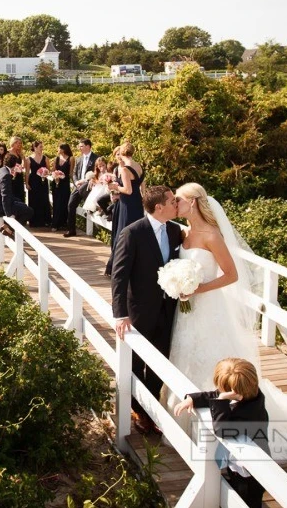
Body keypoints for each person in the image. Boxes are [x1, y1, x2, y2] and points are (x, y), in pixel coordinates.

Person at [169, 182, 287, 461]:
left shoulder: (212, 235)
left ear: (192, 202)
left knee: (212, 356)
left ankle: (221, 418)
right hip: (186, 309)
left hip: (208, 307)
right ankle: (185, 415)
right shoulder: (183, 233)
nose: (174, 203)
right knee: (185, 353)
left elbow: (231, 275)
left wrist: (197, 289)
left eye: (177, 199)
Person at [110, 185, 182, 432]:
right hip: (139, 310)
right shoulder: (133, 232)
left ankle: (149, 409)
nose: (177, 203)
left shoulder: (175, 231)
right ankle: (136, 409)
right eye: (173, 201)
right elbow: (119, 276)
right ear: (159, 206)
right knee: (135, 362)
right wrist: (120, 314)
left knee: (160, 361)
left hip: (168, 308)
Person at [174, 358, 269, 508]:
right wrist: (192, 399)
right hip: (236, 464)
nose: (219, 393)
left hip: (251, 472)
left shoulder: (251, 414)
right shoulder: (247, 393)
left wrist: (221, 399)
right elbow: (213, 394)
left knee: (249, 500)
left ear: (235, 394)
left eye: (224, 392)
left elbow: (222, 429)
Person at [105, 142, 145, 277]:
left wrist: (114, 187)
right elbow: (142, 188)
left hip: (127, 204)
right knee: (136, 233)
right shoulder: (139, 166)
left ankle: (118, 269)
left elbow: (127, 190)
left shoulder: (124, 169)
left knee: (123, 234)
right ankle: (135, 267)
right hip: (138, 203)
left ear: (122, 153)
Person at [0, 153, 33, 238]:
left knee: (22, 204)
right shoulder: (6, 175)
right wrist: (9, 215)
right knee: (29, 211)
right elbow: (5, 196)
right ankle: (9, 228)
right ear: (15, 164)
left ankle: (8, 228)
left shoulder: (1, 170)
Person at [63, 139, 98, 237]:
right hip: (78, 186)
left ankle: (95, 231)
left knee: (91, 208)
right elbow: (74, 173)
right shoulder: (78, 159)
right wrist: (77, 182)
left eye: (81, 146)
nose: (79, 148)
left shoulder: (96, 158)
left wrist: (85, 181)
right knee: (70, 205)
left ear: (88, 146)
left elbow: (97, 173)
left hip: (88, 186)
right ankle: (71, 230)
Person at [27, 140, 52, 227]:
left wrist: (46, 173)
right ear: (35, 148)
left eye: (42, 146)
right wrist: (26, 183)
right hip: (33, 181)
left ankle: (45, 220)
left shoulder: (45, 158)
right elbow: (27, 172)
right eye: (40, 147)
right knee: (34, 200)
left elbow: (49, 171)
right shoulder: (28, 159)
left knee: (44, 199)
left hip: (43, 181)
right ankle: (34, 221)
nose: (42, 148)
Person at [51, 143, 74, 232]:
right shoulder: (56, 159)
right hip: (56, 183)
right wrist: (55, 176)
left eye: (59, 148)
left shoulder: (71, 159)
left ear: (64, 149)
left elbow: (71, 173)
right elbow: (53, 170)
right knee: (56, 203)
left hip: (65, 183)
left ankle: (63, 223)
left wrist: (75, 183)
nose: (58, 150)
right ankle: (55, 224)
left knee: (64, 202)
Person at [7, 136, 28, 204]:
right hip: (10, 177)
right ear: (13, 143)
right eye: (18, 143)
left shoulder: (19, 153)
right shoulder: (7, 152)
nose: (19, 145)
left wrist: (23, 157)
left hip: (19, 177)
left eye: (20, 143)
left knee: (20, 196)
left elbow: (23, 167)